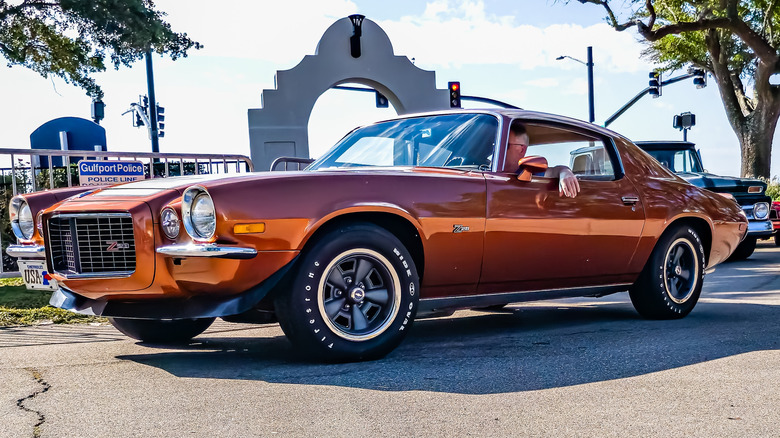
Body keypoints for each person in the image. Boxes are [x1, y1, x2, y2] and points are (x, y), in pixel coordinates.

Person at [505, 123, 581, 198]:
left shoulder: (528, 171)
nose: (498, 149)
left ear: (521, 150)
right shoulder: (493, 169)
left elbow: (554, 171)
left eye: (506, 145)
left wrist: (565, 172)